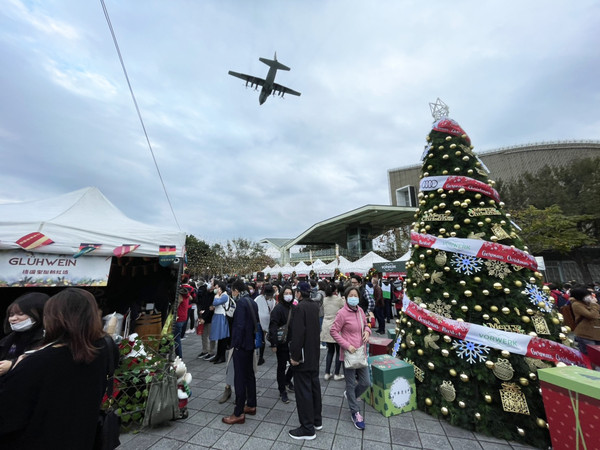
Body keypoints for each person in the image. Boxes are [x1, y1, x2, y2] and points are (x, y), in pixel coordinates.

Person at [0, 288, 119, 449]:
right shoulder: (104, 347)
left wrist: (17, 366)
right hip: (83, 437)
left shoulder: (38, 362)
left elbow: (8, 416)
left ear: (54, 319)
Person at [330, 285, 372, 431]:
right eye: (351, 295)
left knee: (366, 382)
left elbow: (366, 325)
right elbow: (333, 331)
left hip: (361, 353)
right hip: (348, 355)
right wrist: (346, 345)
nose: (354, 298)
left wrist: (367, 331)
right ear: (346, 297)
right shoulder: (342, 313)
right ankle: (355, 412)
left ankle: (350, 396)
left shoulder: (360, 311)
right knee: (350, 383)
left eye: (356, 295)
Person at [288, 281, 322, 440]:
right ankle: (316, 420)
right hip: (314, 355)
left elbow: (298, 334)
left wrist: (294, 357)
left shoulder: (299, 308)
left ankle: (307, 428)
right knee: (314, 387)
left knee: (304, 391)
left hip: (302, 357)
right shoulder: (315, 306)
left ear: (299, 293)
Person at [222, 279, 259, 425]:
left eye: (232, 291)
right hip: (250, 344)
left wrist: (234, 344)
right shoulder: (252, 301)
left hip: (241, 345)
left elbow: (239, 326)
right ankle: (251, 404)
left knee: (239, 378)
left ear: (236, 290)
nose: (232, 293)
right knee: (250, 375)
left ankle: (238, 413)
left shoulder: (241, 304)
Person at [0, 292, 49, 376]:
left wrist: (12, 365)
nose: (13, 319)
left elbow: (42, 364)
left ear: (39, 313)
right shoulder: (8, 339)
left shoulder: (49, 338)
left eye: (20, 314)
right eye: (11, 315)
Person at [268, 285, 295, 403]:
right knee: (282, 366)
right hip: (282, 343)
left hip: (293, 342)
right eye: (286, 293)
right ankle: (282, 390)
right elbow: (273, 326)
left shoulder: (294, 307)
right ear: (282, 294)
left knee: (295, 365)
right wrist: (273, 343)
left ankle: (287, 380)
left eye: (290, 293)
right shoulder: (278, 309)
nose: (288, 295)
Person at [320, 283, 345, 381]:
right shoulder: (339, 300)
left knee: (330, 351)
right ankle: (337, 373)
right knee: (339, 351)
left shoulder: (324, 300)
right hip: (336, 327)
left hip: (326, 327)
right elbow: (344, 309)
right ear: (336, 290)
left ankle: (327, 373)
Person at [570, 286, 600, 355]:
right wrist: (594, 304)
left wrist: (594, 303)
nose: (590, 297)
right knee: (590, 355)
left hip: (596, 332)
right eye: (587, 295)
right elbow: (591, 315)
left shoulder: (587, 302)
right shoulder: (576, 304)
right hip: (586, 334)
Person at [254, 283, 276, 365]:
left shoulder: (258, 298)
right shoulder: (272, 300)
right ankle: (260, 357)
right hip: (264, 321)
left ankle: (259, 356)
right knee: (262, 338)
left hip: (260, 321)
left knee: (261, 338)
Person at [210, 281, 230, 364]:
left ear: (221, 288)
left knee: (222, 338)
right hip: (217, 316)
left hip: (221, 317)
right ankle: (218, 355)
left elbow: (215, 302)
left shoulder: (224, 296)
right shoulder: (221, 295)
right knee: (220, 338)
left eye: (217, 287)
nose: (216, 289)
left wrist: (217, 295)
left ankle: (222, 356)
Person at [197, 279, 216, 360]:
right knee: (203, 335)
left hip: (210, 318)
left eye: (212, 283)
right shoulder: (205, 292)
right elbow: (201, 304)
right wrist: (200, 316)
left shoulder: (215, 296)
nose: (210, 284)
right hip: (203, 317)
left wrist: (204, 318)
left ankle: (211, 352)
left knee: (211, 336)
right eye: (210, 283)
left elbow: (211, 308)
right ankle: (205, 350)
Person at [174, 285, 190, 358]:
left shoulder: (180, 296)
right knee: (177, 337)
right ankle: (178, 356)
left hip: (179, 318)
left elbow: (175, 307)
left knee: (176, 338)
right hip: (184, 317)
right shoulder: (187, 295)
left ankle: (179, 356)